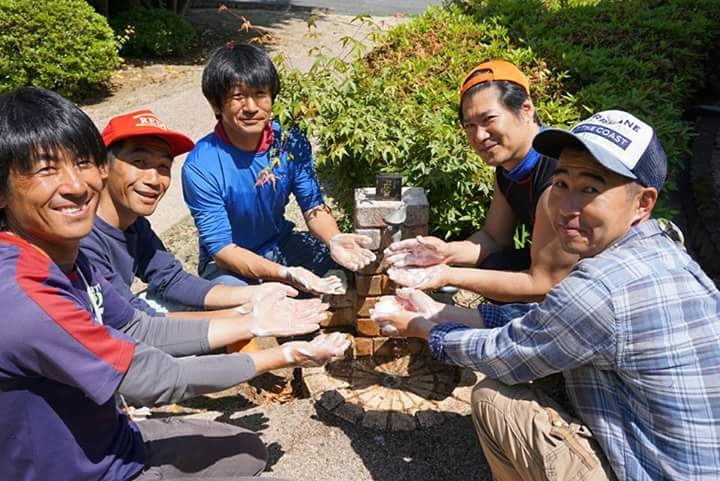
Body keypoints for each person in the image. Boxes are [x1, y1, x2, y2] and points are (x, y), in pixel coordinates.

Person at [0, 86, 350, 481]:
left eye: (82, 163)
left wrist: (255, 319)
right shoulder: (25, 296)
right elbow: (155, 376)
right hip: (77, 469)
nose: (76, 185)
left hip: (114, 437)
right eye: (46, 170)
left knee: (248, 452)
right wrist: (285, 354)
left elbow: (141, 319)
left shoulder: (69, 253)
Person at [371, 110, 720, 480]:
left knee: (494, 400)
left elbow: (507, 352)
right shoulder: (664, 247)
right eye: (562, 184)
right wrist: (441, 311)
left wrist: (425, 328)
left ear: (642, 203)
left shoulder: (601, 287)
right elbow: (553, 320)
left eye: (590, 189)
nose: (566, 207)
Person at [182, 43, 375, 293]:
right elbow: (222, 250)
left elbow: (313, 206)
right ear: (216, 104)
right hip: (228, 265)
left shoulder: (289, 142)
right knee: (242, 298)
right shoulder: (201, 166)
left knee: (348, 266)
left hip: (280, 244)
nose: (251, 107)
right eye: (238, 97)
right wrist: (286, 274)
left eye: (260, 94)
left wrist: (334, 239)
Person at [384, 60, 577, 302]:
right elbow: (494, 238)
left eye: (489, 119)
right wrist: (444, 252)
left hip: (596, 292)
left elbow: (545, 283)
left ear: (526, 108)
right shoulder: (509, 166)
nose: (479, 136)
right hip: (558, 279)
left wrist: (447, 276)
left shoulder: (559, 177)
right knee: (496, 264)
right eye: (470, 126)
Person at [81, 109, 297, 318]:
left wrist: (257, 294)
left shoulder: (135, 225)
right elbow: (134, 321)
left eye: (163, 166)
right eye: (139, 162)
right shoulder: (82, 240)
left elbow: (171, 280)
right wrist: (243, 317)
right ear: (103, 166)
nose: (154, 180)